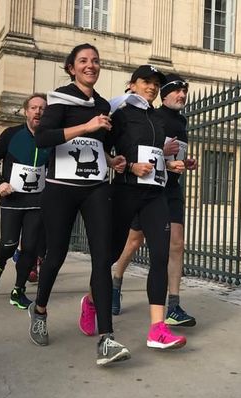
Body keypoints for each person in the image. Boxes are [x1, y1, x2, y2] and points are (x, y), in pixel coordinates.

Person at [27, 43, 130, 367]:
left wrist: (112, 159)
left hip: (96, 188)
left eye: (96, 61)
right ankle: (40, 309)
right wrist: (85, 127)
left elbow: (100, 144)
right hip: (60, 189)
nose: (91, 65)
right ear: (71, 67)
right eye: (84, 61)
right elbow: (43, 138)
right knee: (55, 254)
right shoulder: (60, 98)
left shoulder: (102, 104)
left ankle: (106, 339)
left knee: (102, 259)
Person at [106, 65, 187, 350]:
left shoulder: (157, 118)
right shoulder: (120, 114)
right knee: (112, 253)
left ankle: (157, 329)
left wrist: (171, 162)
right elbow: (102, 150)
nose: (151, 87)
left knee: (161, 255)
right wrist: (127, 165)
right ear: (133, 84)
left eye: (155, 83)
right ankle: (93, 300)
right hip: (126, 191)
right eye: (146, 82)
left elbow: (155, 154)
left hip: (155, 194)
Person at [0, 93, 49, 310]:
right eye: (34, 107)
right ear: (26, 111)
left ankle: (18, 291)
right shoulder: (11, 134)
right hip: (13, 199)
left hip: (37, 201)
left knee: (30, 248)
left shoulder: (50, 138)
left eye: (42, 108)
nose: (38, 111)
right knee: (9, 244)